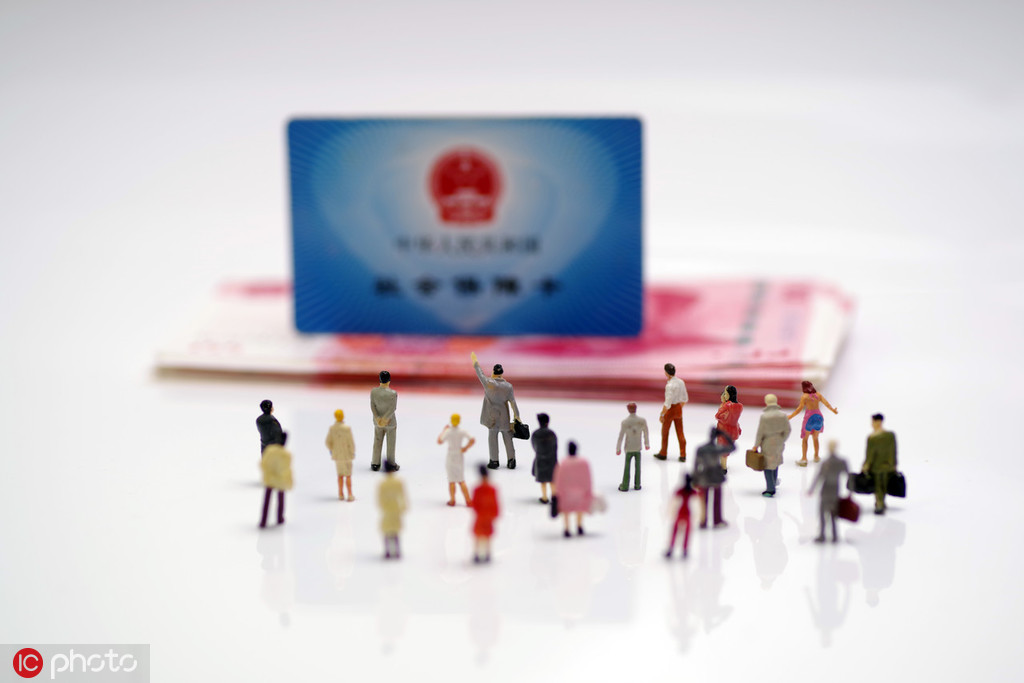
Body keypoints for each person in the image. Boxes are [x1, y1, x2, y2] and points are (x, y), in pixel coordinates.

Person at [471, 352, 520, 469]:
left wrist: (476, 363)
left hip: (492, 417)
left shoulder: (489, 384)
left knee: (492, 439)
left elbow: (480, 374)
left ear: (494, 372)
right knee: (508, 438)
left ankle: (494, 461)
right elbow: (513, 403)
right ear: (502, 373)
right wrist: (517, 416)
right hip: (504, 417)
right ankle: (511, 460)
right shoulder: (508, 386)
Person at [692, 427, 735, 528]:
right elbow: (733, 447)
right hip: (716, 476)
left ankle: (703, 521)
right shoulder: (718, 448)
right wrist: (724, 434)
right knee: (717, 500)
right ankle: (717, 521)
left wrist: (695, 478)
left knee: (704, 501)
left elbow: (696, 465)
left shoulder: (701, 449)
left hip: (704, 476)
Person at [808, 441, 850, 542]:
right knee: (833, 514)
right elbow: (848, 476)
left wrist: (812, 489)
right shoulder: (841, 462)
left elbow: (819, 477)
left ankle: (822, 535)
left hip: (826, 490)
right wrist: (851, 490)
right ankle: (834, 536)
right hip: (835, 490)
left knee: (823, 514)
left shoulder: (826, 463)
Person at [787, 381, 837, 465]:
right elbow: (826, 404)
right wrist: (833, 410)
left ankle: (804, 459)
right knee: (815, 438)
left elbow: (799, 409)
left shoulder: (805, 397)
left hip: (809, 418)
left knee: (805, 439)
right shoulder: (818, 395)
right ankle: (816, 456)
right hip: (819, 417)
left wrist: (790, 416)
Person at [752, 394, 791, 497]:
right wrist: (782, 439)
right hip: (779, 442)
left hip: (768, 443)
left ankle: (770, 489)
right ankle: (773, 482)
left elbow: (760, 433)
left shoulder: (764, 417)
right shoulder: (783, 416)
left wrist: (756, 445)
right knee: (775, 462)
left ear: (766, 402)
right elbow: (788, 430)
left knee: (767, 465)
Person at [552, 441, 593, 537]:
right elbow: (587, 478)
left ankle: (567, 529)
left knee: (566, 511)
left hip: (566, 494)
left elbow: (559, 479)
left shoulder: (563, 463)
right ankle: (579, 526)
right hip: (580, 493)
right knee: (579, 509)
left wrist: (557, 492)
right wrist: (588, 491)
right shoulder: (583, 463)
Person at [862, 413, 897, 514]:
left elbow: (869, 454)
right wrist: (894, 464)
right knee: (884, 484)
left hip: (876, 466)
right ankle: (881, 502)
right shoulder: (890, 435)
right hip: (888, 465)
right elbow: (893, 451)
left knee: (878, 485)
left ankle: (879, 504)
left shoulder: (872, 438)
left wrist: (866, 466)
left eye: (873, 422)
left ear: (878, 422)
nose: (872, 424)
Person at [438, 414, 476, 506]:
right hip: (459, 455)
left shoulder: (448, 431)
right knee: (461, 480)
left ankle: (452, 500)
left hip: (451, 455)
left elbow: (440, 441)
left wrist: (444, 430)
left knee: (451, 481)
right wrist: (465, 448)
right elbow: (472, 440)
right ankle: (468, 500)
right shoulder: (462, 431)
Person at [654, 363, 688, 461]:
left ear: (666, 373)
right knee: (680, 432)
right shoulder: (681, 382)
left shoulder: (669, 386)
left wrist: (662, 414)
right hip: (678, 408)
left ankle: (663, 452)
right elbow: (685, 399)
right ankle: (683, 454)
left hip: (670, 410)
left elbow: (667, 403)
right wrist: (679, 408)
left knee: (665, 432)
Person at [259, 433, 293, 528]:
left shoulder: (270, 451)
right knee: (280, 499)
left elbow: (263, 464)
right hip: (280, 480)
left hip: (270, 478)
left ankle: (263, 520)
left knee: (267, 500)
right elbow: (287, 470)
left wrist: (266, 474)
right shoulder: (286, 455)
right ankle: (279, 518)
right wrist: (289, 481)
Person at [616, 402, 650, 491]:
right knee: (638, 467)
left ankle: (625, 485)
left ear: (628, 409)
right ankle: (637, 484)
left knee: (627, 467)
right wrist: (646, 444)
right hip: (638, 447)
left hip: (629, 447)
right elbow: (646, 433)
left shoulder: (625, 422)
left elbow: (621, 436)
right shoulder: (642, 421)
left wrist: (618, 448)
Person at [470, 464, 500, 563]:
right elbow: (475, 504)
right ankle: (478, 553)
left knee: (486, 536)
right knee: (480, 535)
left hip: (486, 516)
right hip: (482, 515)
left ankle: (486, 553)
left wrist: (494, 514)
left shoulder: (490, 489)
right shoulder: (480, 489)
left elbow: (495, 503)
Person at [377, 461, 407, 559]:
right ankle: (397, 551)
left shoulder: (383, 484)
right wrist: (403, 507)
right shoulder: (398, 482)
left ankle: (388, 551)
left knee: (387, 530)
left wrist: (382, 506)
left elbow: (380, 498)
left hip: (387, 508)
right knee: (395, 530)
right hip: (395, 507)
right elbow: (403, 496)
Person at [370, 370, 398, 471]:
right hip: (390, 422)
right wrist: (385, 418)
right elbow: (392, 408)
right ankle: (390, 464)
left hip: (378, 422)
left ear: (380, 380)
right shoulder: (393, 393)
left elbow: (372, 406)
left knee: (377, 441)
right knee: (391, 443)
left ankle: (375, 463)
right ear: (389, 381)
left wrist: (378, 418)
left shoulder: (373, 392)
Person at [325, 409, 356, 501]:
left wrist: (332, 450)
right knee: (348, 475)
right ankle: (350, 494)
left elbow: (327, 442)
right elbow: (351, 443)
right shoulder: (347, 429)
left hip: (337, 456)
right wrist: (352, 452)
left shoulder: (332, 428)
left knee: (340, 475)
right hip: (347, 455)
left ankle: (340, 494)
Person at [666, 474, 697, 558]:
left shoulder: (681, 491)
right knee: (686, 531)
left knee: (675, 530)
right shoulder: (691, 492)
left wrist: (671, 512)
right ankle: (684, 550)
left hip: (681, 512)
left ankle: (671, 548)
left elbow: (674, 502)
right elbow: (696, 504)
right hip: (687, 513)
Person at [530, 413, 558, 503]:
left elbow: (534, 446)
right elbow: (555, 447)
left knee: (543, 481)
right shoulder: (552, 434)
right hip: (551, 459)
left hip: (540, 459)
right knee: (552, 480)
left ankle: (544, 497)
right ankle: (554, 496)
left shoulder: (535, 434)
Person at [714, 385, 743, 473]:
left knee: (722, 449)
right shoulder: (740, 406)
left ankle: (723, 468)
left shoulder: (727, 405)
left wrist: (723, 405)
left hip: (724, 430)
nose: (724, 395)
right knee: (725, 450)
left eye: (725, 393)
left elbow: (717, 416)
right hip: (734, 430)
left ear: (730, 394)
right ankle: (723, 465)